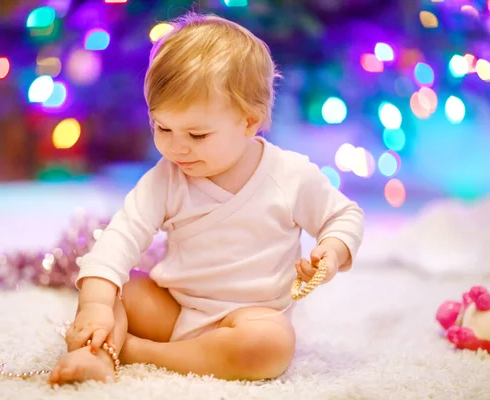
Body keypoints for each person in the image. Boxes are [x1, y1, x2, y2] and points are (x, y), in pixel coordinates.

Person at [48, 12, 364, 386]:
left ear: (249, 121)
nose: (176, 147)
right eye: (162, 127)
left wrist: (332, 251)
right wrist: (97, 306)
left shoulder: (289, 175)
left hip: (248, 319)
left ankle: (135, 351)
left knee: (272, 345)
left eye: (197, 135)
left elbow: (344, 215)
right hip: (175, 310)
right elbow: (120, 238)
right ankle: (96, 354)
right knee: (120, 286)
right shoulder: (166, 179)